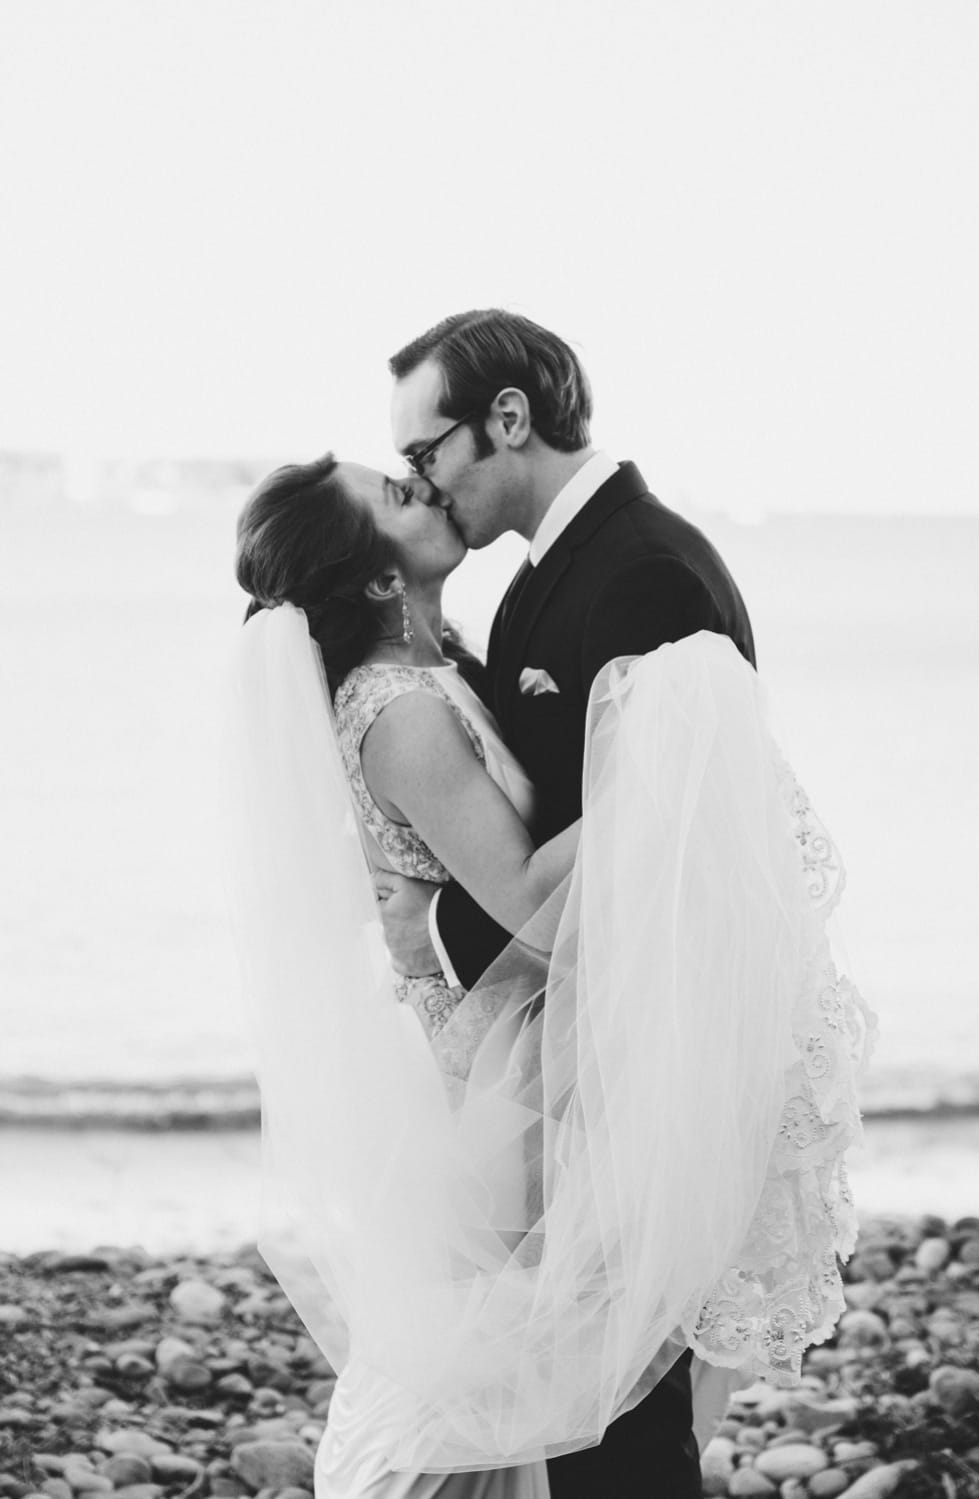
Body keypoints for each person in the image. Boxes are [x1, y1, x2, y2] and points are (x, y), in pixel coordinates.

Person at [223, 434, 874, 1499]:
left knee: (567, 1353)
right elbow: (527, 904)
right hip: (502, 1085)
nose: (424, 484)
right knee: (520, 1359)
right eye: (397, 491)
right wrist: (661, 766)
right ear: (382, 575)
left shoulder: (437, 670)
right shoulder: (400, 708)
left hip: (532, 1050)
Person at [382, 310, 756, 1496]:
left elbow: (670, 839)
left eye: (425, 449)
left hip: (642, 1048)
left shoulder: (645, 573)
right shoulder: (547, 577)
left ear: (506, 418)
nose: (421, 481)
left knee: (626, 1407)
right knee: (586, 1399)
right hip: (577, 1043)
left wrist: (436, 932)